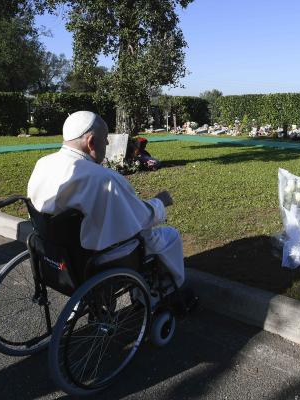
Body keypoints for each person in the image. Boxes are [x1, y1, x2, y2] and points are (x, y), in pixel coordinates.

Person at [27, 111, 185, 289]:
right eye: (105, 138)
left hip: (56, 252)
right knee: (169, 235)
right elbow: (140, 219)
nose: (108, 142)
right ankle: (170, 290)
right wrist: (159, 203)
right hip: (97, 258)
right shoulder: (104, 178)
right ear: (91, 142)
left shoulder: (43, 163)